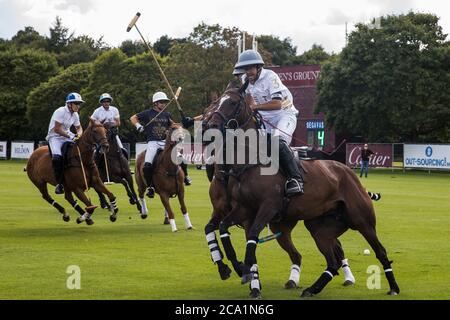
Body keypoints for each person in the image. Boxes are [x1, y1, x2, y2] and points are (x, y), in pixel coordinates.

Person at [235, 49, 304, 196]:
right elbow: (249, 101)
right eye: (246, 69)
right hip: (264, 118)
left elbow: (277, 104)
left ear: (259, 67)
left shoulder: (270, 77)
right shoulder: (244, 80)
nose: (248, 72)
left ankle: (296, 179)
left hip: (284, 114)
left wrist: (255, 107)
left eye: (251, 68)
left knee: (277, 142)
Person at [130, 91, 190, 198]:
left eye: (164, 102)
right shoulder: (148, 113)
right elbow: (133, 118)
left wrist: (184, 123)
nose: (163, 104)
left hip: (164, 143)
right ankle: (150, 187)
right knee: (147, 165)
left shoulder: (167, 114)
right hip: (153, 143)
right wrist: (138, 126)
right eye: (161, 102)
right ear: (155, 103)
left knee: (180, 158)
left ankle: (185, 178)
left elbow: (173, 125)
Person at [46, 92, 84, 194]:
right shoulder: (60, 111)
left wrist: (79, 134)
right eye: (76, 103)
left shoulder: (75, 114)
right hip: (55, 137)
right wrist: (72, 136)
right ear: (69, 104)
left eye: (79, 103)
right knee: (57, 157)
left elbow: (79, 127)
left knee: (80, 149)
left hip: (67, 135)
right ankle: (59, 184)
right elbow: (57, 129)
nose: (78, 106)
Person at [90, 93, 128, 158]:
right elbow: (91, 123)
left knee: (122, 149)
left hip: (113, 134)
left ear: (110, 101)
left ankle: (125, 163)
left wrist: (110, 124)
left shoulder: (114, 109)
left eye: (108, 101)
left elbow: (118, 123)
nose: (106, 103)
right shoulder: (97, 111)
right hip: (102, 135)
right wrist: (101, 125)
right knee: (96, 151)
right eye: (104, 101)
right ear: (101, 102)